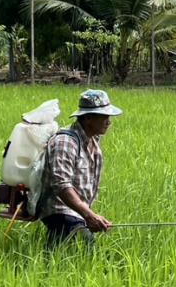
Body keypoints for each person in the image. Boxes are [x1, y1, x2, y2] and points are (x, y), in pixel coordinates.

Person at [37, 89, 122, 247]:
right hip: (60, 211)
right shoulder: (65, 142)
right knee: (84, 248)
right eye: (104, 117)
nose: (109, 122)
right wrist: (89, 215)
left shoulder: (92, 141)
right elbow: (61, 185)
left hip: (77, 214)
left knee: (83, 252)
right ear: (88, 118)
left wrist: (87, 216)